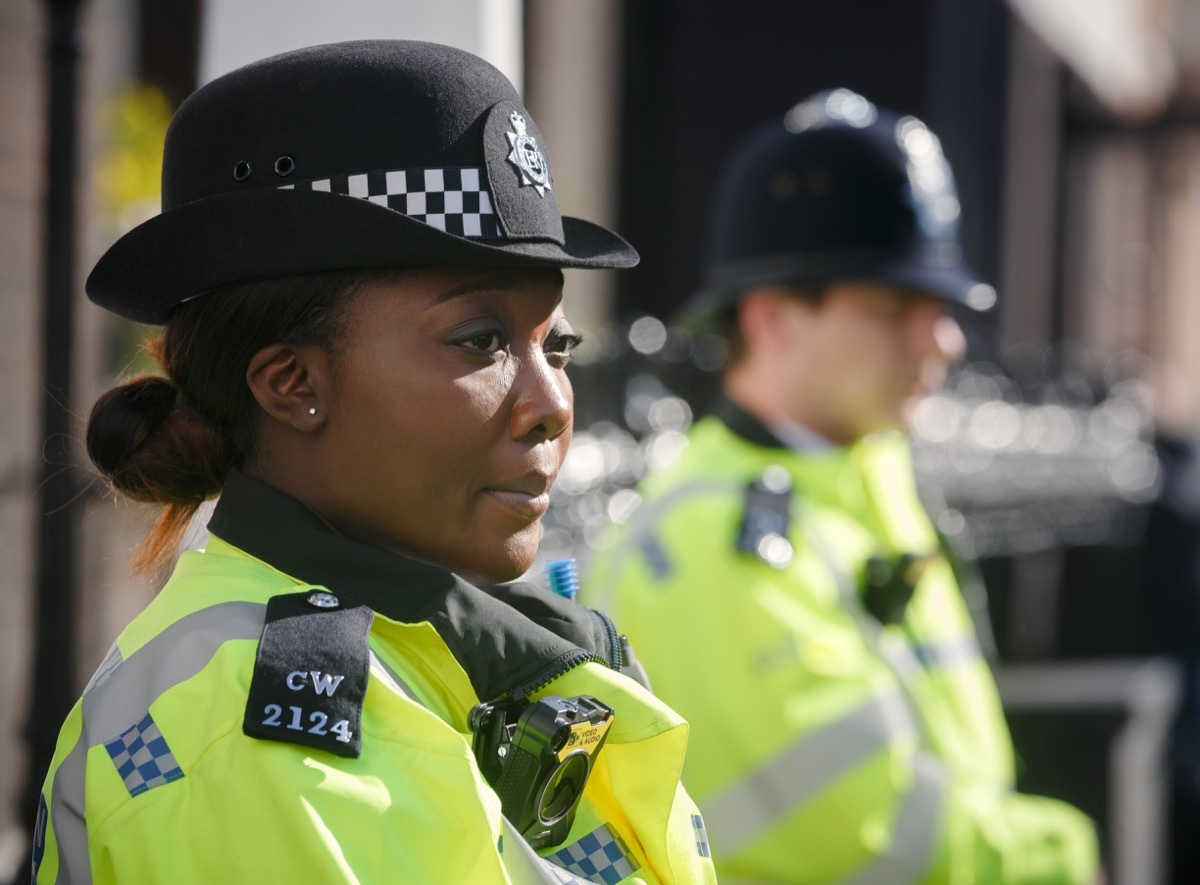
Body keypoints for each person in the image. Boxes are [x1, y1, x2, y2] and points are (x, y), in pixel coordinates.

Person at [32, 41, 717, 885]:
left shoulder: (432, 645)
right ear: (292, 383)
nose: (552, 405)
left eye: (559, 346)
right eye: (482, 342)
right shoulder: (252, 723)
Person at [582, 90, 1100, 884]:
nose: (946, 339)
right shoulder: (706, 539)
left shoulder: (864, 475)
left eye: (943, 308)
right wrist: (1064, 854)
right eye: (898, 306)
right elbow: (860, 833)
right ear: (770, 318)